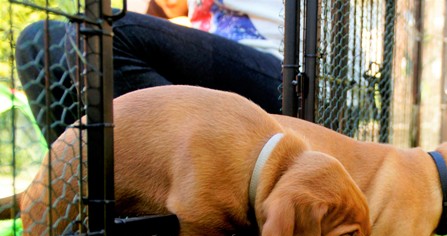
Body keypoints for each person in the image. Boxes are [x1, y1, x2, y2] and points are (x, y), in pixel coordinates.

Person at [15, 0, 284, 144]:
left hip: (279, 69)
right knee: (38, 41)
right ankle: (85, 195)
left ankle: (155, 200)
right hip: (210, 60)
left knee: (106, 34)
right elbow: (163, 10)